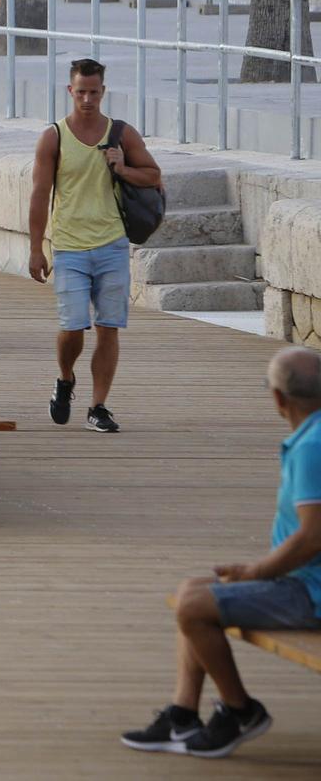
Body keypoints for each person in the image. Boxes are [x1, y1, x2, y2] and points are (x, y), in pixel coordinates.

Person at [120, 346, 320, 759]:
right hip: (301, 580)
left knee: (194, 606)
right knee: (193, 590)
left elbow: (314, 536)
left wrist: (255, 571)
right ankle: (182, 713)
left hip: (310, 592)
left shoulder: (312, 448)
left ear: (278, 398)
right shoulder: (312, 436)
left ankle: (241, 710)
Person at [28, 58, 164, 434]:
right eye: (80, 91)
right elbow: (40, 195)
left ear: (103, 92)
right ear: (69, 91)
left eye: (94, 91)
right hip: (69, 246)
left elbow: (154, 176)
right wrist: (36, 248)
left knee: (108, 327)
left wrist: (122, 168)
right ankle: (65, 377)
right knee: (72, 328)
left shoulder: (121, 133)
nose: (87, 98)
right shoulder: (53, 136)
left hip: (112, 245)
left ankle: (98, 406)